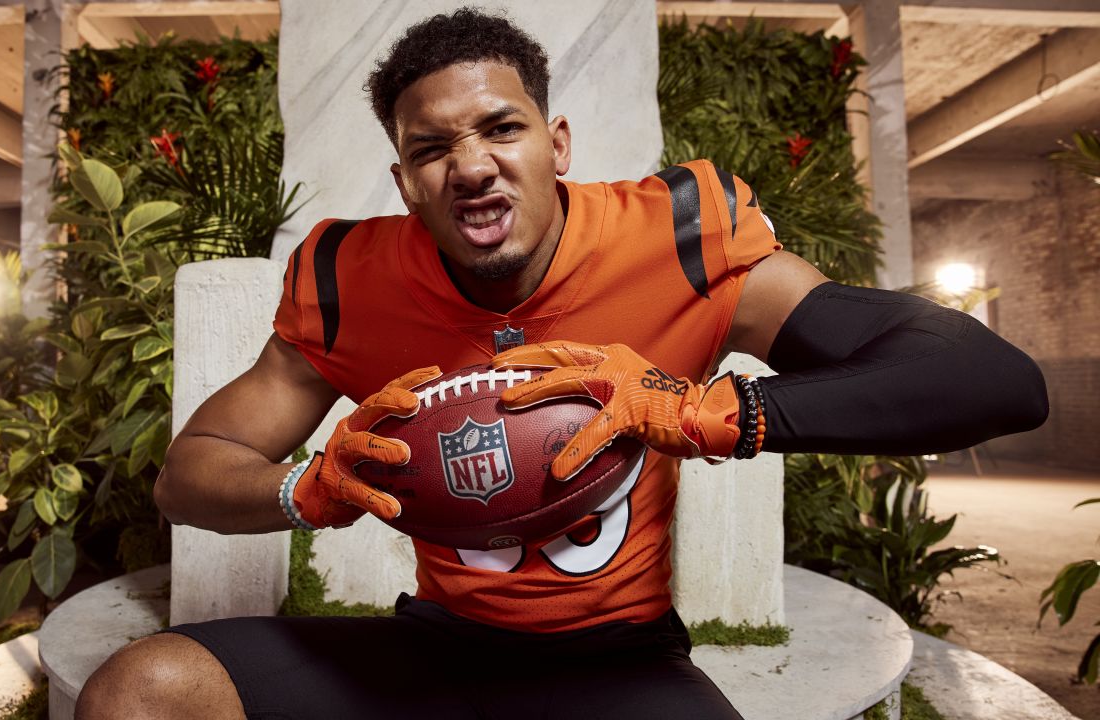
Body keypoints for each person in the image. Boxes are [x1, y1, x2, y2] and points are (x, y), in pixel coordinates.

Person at [76, 8, 1047, 719]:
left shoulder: (672, 239)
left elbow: (987, 379)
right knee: (141, 691)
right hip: (437, 649)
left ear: (556, 143)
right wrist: (309, 489)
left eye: (500, 128)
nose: (469, 165)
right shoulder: (348, 278)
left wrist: (708, 412)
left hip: (619, 664)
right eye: (430, 148)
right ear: (405, 182)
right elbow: (187, 475)